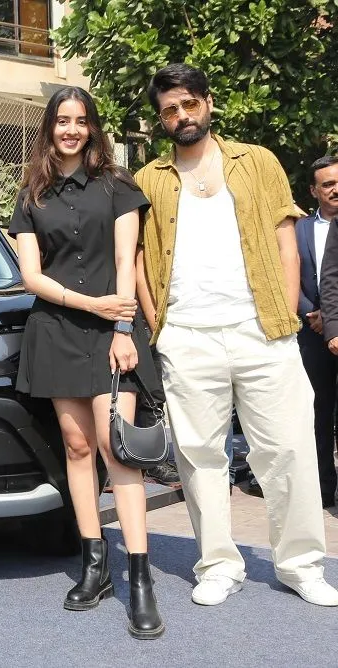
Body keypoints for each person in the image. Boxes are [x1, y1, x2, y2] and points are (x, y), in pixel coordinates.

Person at [136, 63, 338, 607]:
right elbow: (138, 255)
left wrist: (286, 316)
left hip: (263, 331)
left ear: (208, 103)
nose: (181, 116)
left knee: (290, 449)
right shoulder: (150, 178)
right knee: (200, 456)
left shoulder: (257, 161)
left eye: (188, 104)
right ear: (162, 120)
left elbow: (284, 238)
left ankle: (301, 564)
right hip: (187, 335)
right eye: (170, 110)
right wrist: (161, 326)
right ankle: (219, 564)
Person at [9, 86, 164, 640]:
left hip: (110, 331)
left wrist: (121, 326)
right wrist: (86, 303)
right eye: (62, 121)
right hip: (56, 328)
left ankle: (140, 580)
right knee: (76, 449)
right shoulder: (31, 193)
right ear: (50, 127)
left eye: (80, 121)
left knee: (115, 449)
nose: (71, 130)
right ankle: (94, 565)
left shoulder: (118, 186)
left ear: (92, 127)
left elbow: (127, 259)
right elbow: (31, 275)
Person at [301, 157, 338, 507]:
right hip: (310, 334)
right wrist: (311, 315)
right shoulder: (298, 228)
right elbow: (289, 273)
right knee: (317, 413)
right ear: (314, 190)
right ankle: (323, 488)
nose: (335, 189)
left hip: (335, 326)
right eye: (327, 184)